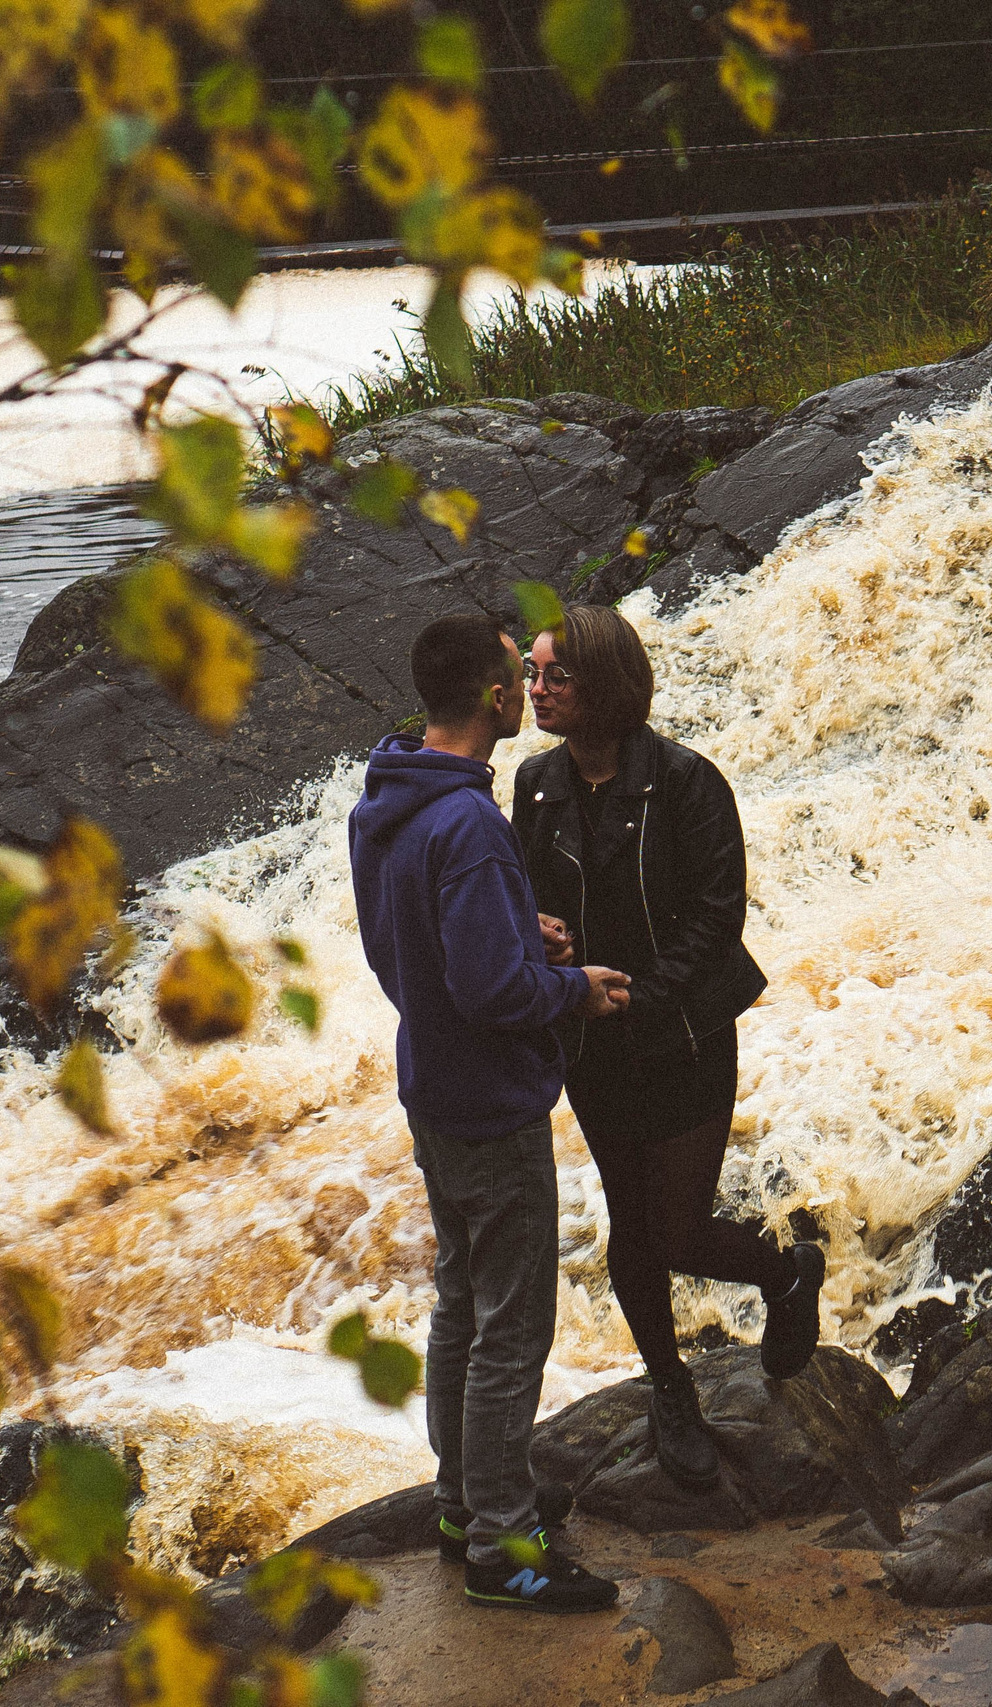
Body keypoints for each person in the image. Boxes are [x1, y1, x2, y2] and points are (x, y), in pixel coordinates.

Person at [348, 611, 632, 1614]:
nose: (529, 690)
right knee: (512, 1325)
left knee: (461, 1302)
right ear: (495, 698)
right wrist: (570, 988)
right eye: (519, 676)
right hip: (487, 1098)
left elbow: (406, 945)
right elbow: (493, 993)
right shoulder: (468, 821)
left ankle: (462, 1502)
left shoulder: (390, 794)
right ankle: (504, 1552)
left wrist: (517, 930)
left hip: (430, 1079)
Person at [512, 603, 827, 1492]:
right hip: (593, 1041)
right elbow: (526, 897)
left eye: (554, 677)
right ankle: (671, 1388)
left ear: (604, 686)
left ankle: (785, 1271)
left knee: (678, 1227)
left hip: (684, 1035)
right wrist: (542, 940)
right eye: (532, 675)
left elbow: (717, 918)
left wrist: (636, 997)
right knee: (631, 1229)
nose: (536, 691)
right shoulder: (535, 786)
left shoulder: (687, 783)